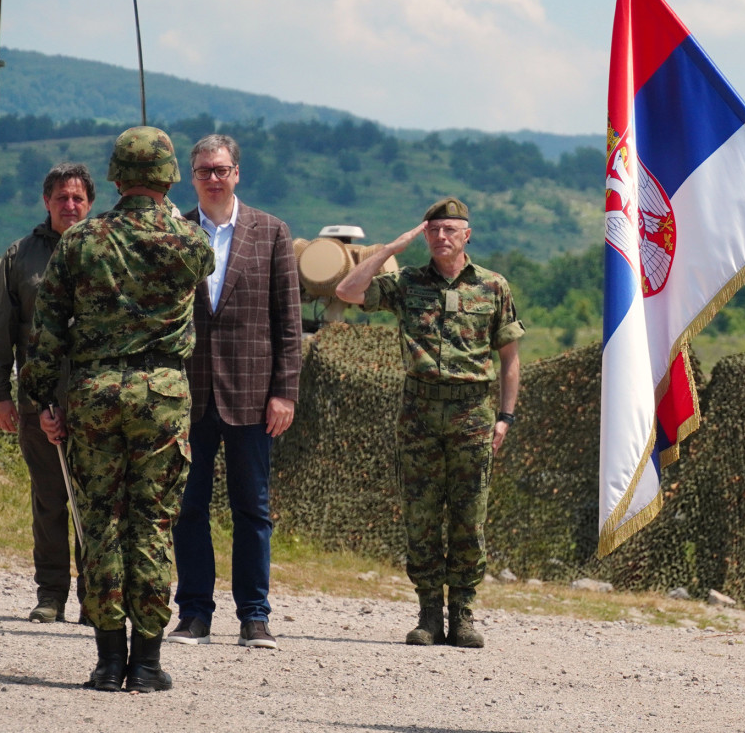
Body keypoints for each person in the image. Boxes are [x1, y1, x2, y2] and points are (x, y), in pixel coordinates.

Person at [19, 126, 214, 693]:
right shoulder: (187, 242)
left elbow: (47, 330)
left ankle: (108, 661)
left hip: (94, 393)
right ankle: (147, 663)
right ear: (169, 177)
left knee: (100, 523)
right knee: (151, 525)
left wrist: (42, 401)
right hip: (161, 397)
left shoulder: (81, 242)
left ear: (115, 178)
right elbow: (200, 253)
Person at [336, 197, 524, 648]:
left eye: (450, 229)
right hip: (419, 412)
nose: (441, 237)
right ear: (425, 235)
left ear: (466, 235)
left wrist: (505, 417)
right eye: (433, 229)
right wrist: (386, 250)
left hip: (473, 413)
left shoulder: (493, 286)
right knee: (420, 516)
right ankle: (428, 613)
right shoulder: (406, 283)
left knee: (468, 516)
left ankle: (462, 612)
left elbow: (510, 359)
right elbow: (347, 291)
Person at [168, 134, 301, 650]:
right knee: (187, 507)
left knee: (254, 509)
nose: (213, 178)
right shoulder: (174, 231)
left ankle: (255, 616)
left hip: (252, 394)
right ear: (192, 176)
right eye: (203, 171)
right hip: (186, 393)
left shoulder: (271, 232)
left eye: (221, 170)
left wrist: (284, 392)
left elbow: (288, 321)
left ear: (237, 173)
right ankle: (195, 613)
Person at [0, 162, 94, 624]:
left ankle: (95, 597)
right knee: (49, 501)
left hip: (97, 405)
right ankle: (51, 595)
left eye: (78, 199)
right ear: (46, 201)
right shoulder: (19, 256)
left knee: (95, 505)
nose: (70, 206)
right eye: (61, 198)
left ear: (90, 203)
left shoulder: (107, 251)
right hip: (37, 403)